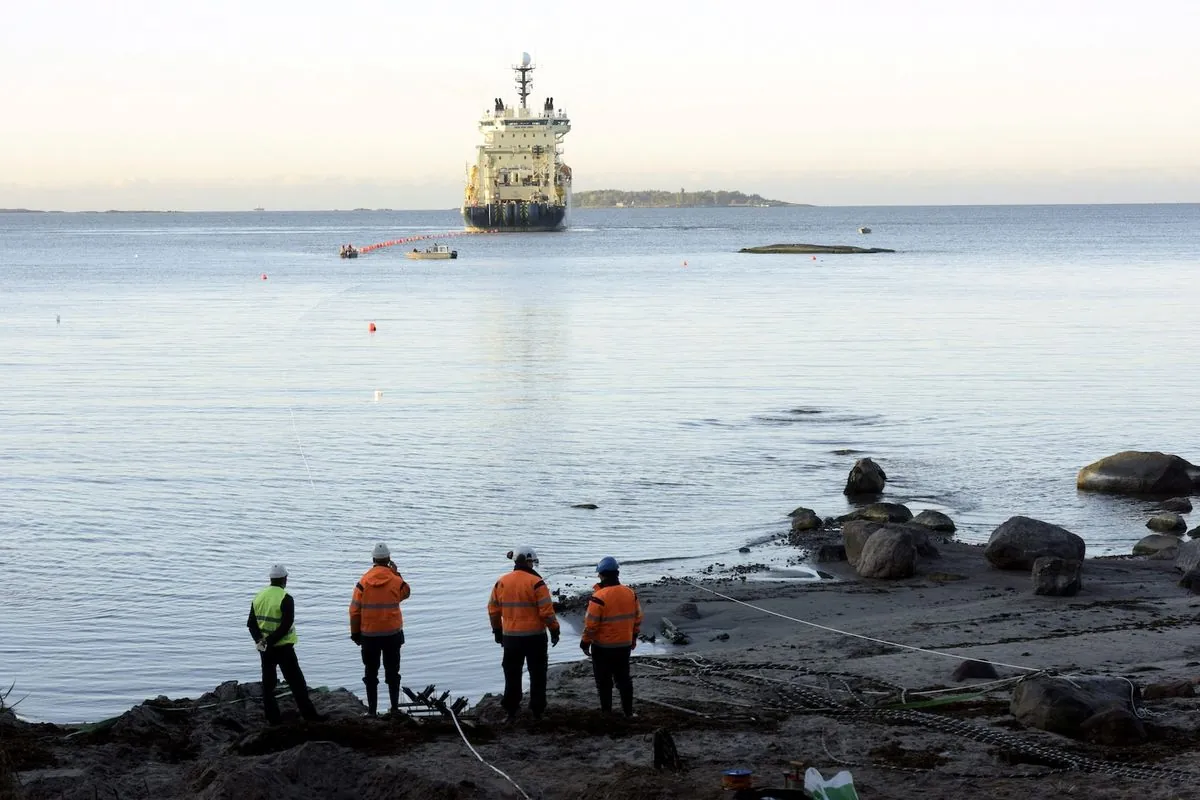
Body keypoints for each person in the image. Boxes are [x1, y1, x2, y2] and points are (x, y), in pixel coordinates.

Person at [487, 546, 560, 721]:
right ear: (527, 561)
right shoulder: (537, 583)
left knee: (511, 674)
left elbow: (493, 610)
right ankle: (537, 711)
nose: (533, 565)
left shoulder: (502, 582)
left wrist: (497, 631)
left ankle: (511, 711)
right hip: (535, 638)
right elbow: (546, 613)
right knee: (537, 674)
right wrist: (554, 630)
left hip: (511, 638)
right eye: (532, 561)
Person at [246, 564, 324, 724]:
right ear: (284, 579)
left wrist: (260, 641)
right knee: (297, 684)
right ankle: (310, 717)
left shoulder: (258, 596)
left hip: (265, 649)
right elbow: (286, 625)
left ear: (271, 579)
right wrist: (270, 641)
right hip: (284, 648)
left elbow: (251, 624)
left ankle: (273, 720)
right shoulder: (286, 598)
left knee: (268, 685)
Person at [349, 542, 411, 717]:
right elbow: (406, 593)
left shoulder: (363, 581)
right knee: (393, 672)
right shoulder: (395, 580)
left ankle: (371, 711)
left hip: (369, 635)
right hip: (392, 634)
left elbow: (354, 610)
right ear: (389, 559)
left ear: (373, 559)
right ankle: (394, 708)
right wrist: (396, 572)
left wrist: (355, 633)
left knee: (370, 672)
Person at [579, 556, 642, 718]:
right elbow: (638, 618)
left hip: (603, 647)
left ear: (601, 575)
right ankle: (628, 712)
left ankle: (606, 712)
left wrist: (585, 643)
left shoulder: (599, 597)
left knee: (604, 682)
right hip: (624, 645)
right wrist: (633, 638)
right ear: (617, 573)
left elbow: (591, 626)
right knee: (624, 679)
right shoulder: (630, 593)